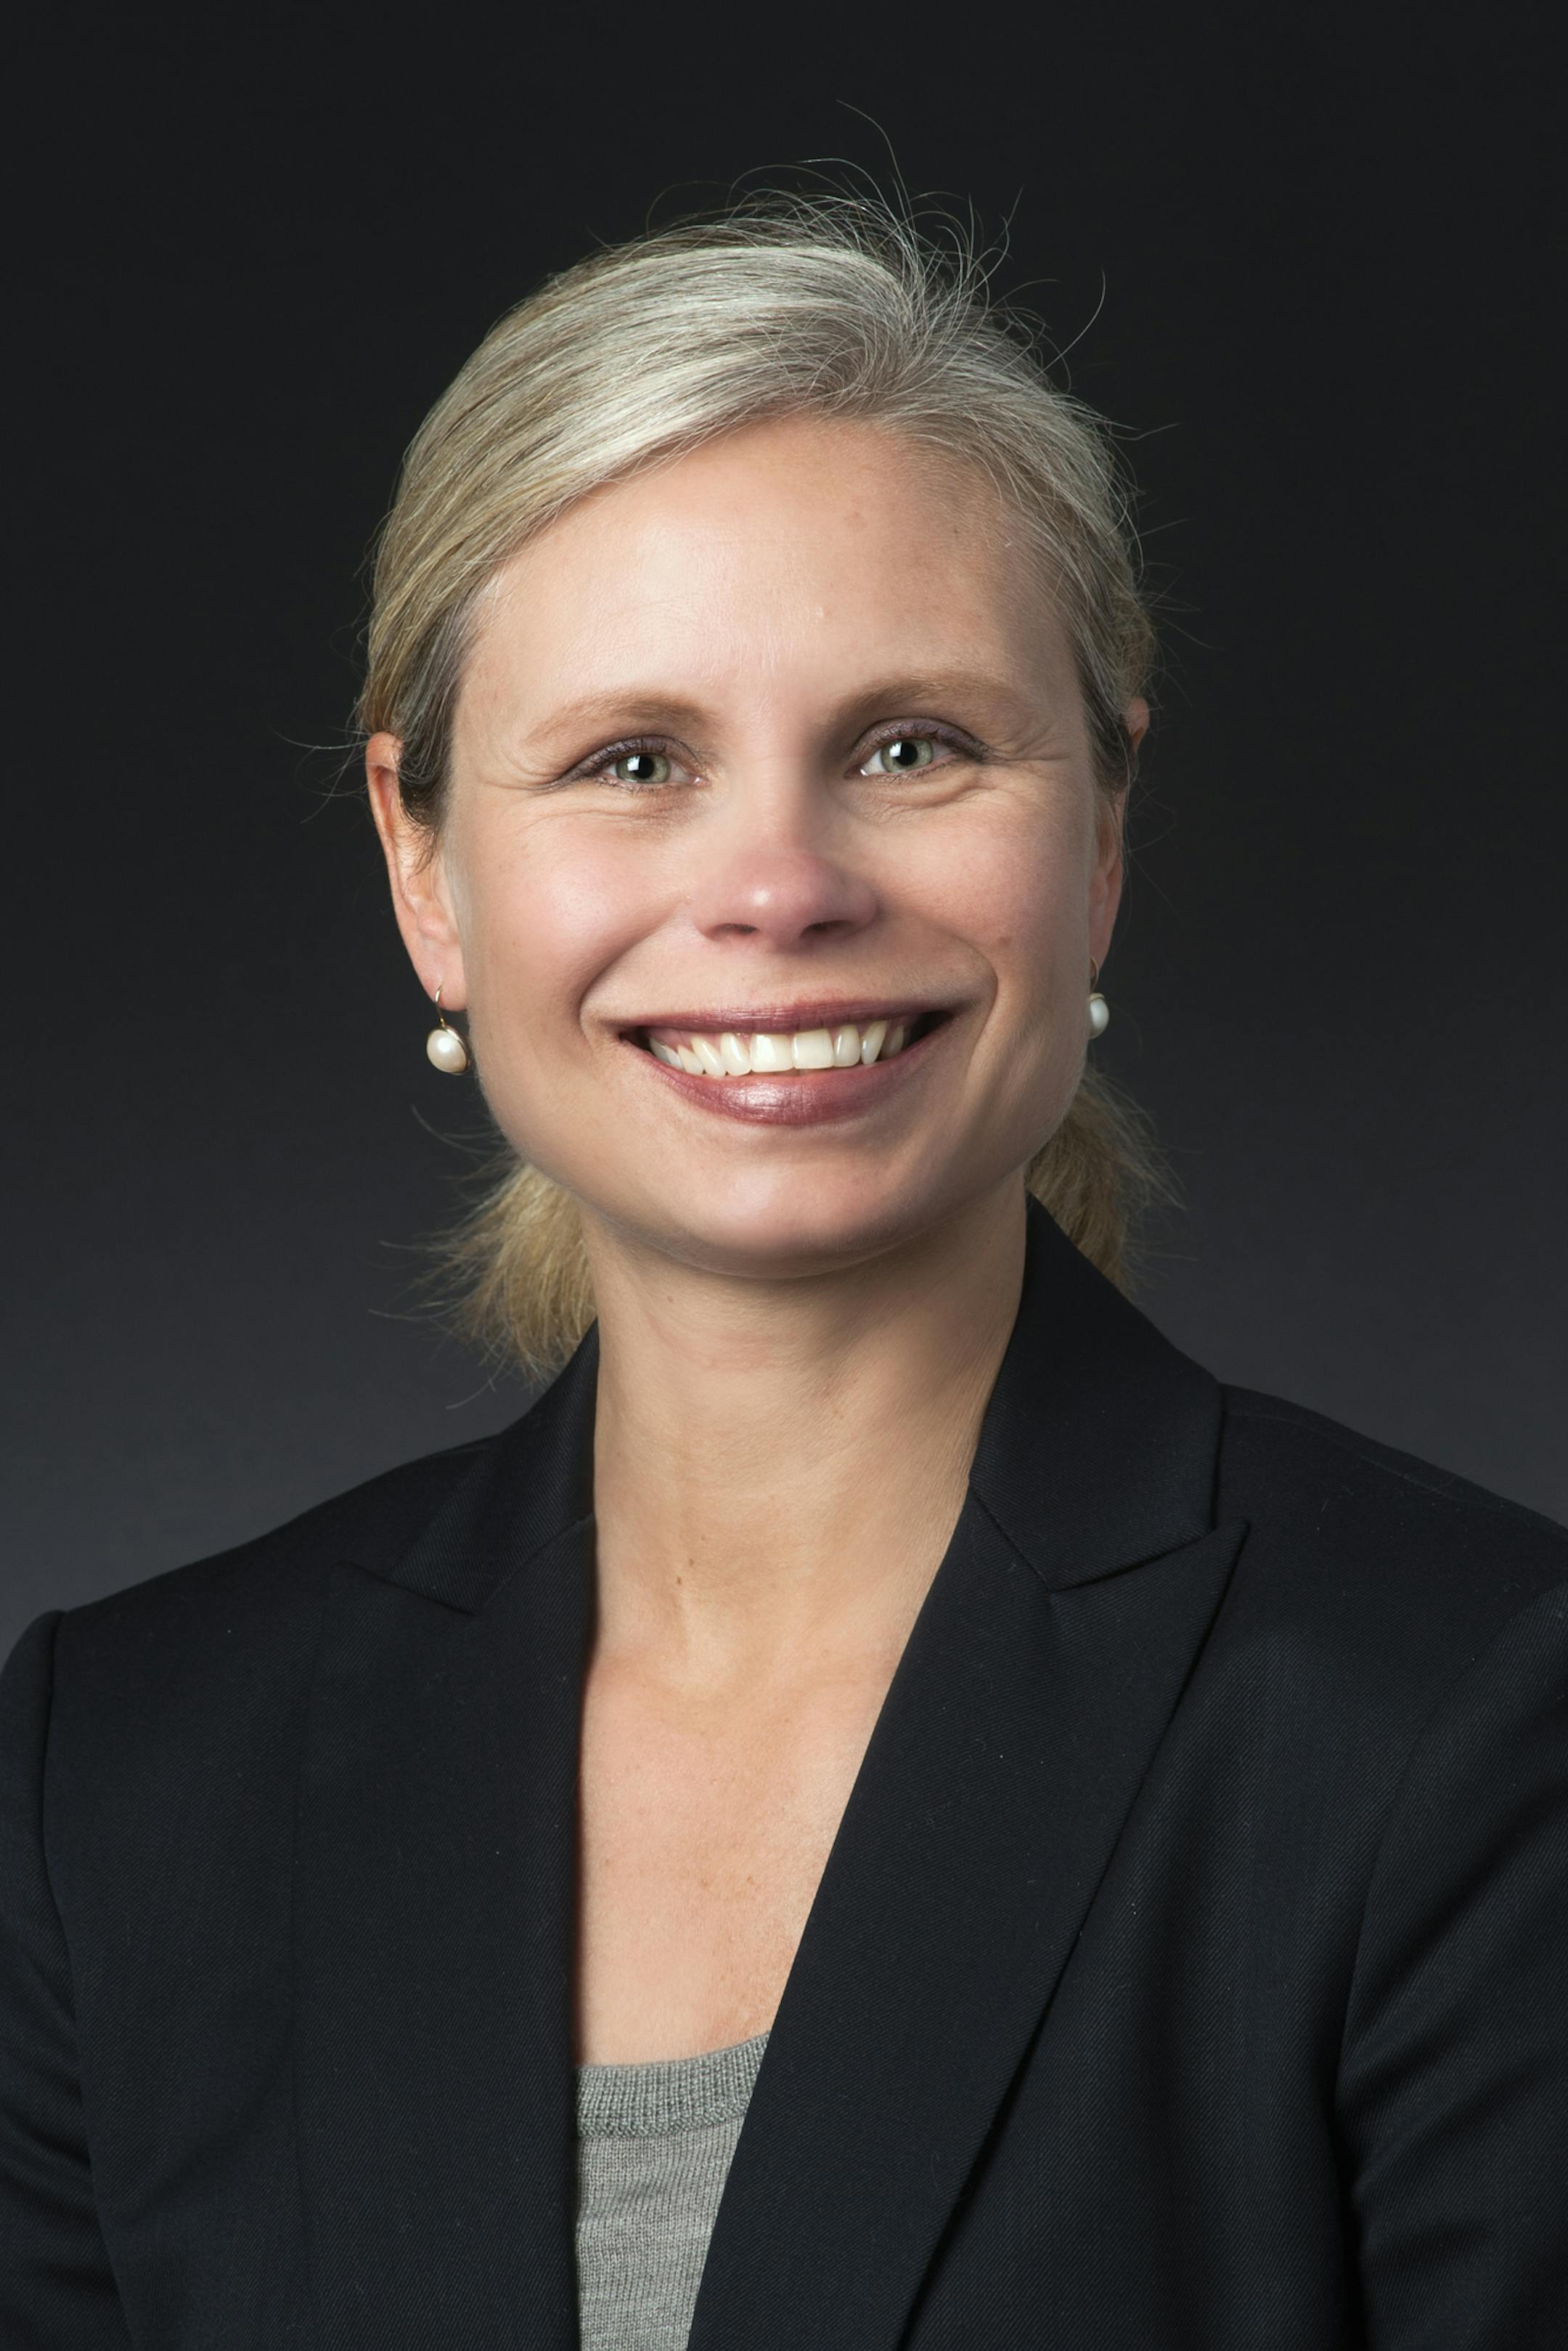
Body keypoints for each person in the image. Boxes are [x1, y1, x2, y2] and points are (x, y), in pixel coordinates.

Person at [2, 190, 1564, 2351]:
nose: (777, 886)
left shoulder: (1481, 1722)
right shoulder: (117, 1782)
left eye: (911, 747)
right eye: (634, 764)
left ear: (1101, 833)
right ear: (424, 865)